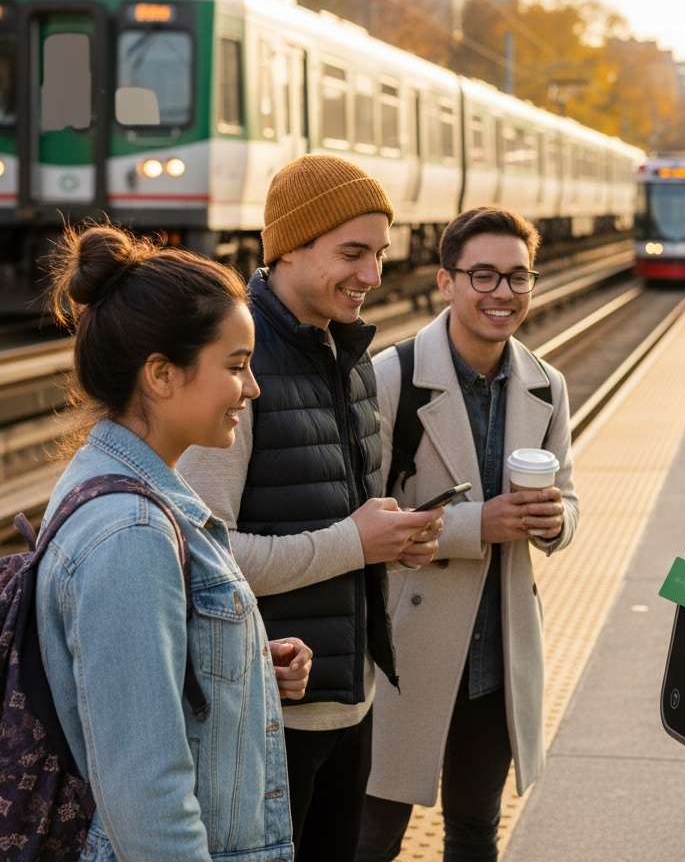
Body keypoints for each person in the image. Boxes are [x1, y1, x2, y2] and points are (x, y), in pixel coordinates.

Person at [178, 154, 443, 861]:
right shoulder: (239, 367)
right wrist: (357, 544)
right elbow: (207, 556)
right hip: (265, 715)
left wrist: (392, 538)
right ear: (287, 248)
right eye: (351, 253)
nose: (373, 274)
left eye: (379, 254)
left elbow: (338, 515)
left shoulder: (348, 354)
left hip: (350, 699)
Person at [36, 222, 312, 861]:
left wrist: (237, 666)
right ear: (161, 374)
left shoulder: (123, 488)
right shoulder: (130, 534)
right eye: (237, 366)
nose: (253, 388)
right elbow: (146, 797)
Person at [358, 207, 580, 862]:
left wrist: (557, 522)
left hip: (496, 653)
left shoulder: (546, 383)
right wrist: (470, 526)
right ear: (444, 281)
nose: (501, 293)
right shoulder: (390, 376)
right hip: (405, 646)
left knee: (476, 834)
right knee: (372, 838)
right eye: (482, 275)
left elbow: (567, 494)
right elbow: (361, 514)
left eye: (517, 277)